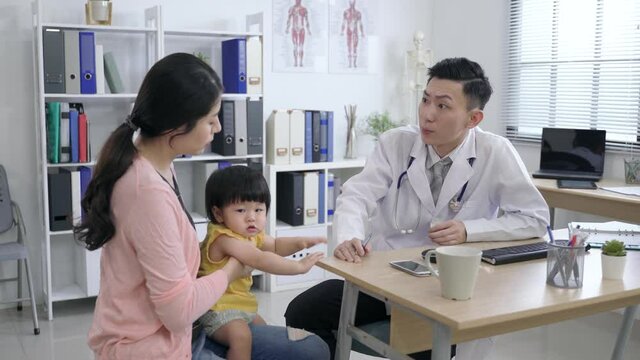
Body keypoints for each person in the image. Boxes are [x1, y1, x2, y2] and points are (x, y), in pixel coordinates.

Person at [285, 57, 550, 359]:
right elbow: (355, 195)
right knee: (303, 311)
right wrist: (349, 237)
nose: (427, 114)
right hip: (387, 279)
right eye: (426, 100)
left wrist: (469, 230)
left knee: (424, 343)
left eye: (442, 106)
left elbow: (535, 219)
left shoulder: (495, 152)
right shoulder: (395, 143)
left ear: (473, 119)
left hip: (448, 289)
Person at [74, 53, 329, 359]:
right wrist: (232, 269)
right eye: (210, 119)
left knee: (312, 348)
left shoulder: (158, 163)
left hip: (182, 331)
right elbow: (177, 311)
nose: (219, 127)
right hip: (150, 346)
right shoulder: (145, 192)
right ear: (177, 126)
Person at [197, 165, 326, 360]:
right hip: (217, 308)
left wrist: (301, 242)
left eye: (258, 209)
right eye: (241, 210)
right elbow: (259, 259)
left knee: (265, 331)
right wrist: (298, 267)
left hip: (241, 305)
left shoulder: (249, 234)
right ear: (219, 214)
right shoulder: (223, 238)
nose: (251, 217)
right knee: (242, 337)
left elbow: (275, 246)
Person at [285, 0, 312, 67]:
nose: (298, 1)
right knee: (295, 46)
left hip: (301, 29)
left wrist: (308, 30)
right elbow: (288, 20)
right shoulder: (292, 9)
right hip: (294, 28)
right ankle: (295, 62)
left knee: (301, 47)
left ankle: (301, 62)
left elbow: (307, 20)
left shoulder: (304, 9)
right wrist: (287, 28)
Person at [340, 0, 365, 68]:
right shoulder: (346, 12)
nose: (352, 3)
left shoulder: (358, 13)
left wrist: (362, 32)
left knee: (355, 47)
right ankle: (349, 63)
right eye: (351, 1)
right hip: (349, 31)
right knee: (349, 47)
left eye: (353, 1)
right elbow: (344, 22)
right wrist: (342, 31)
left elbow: (360, 23)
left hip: (355, 31)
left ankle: (354, 63)